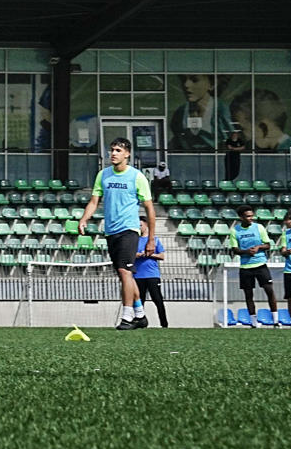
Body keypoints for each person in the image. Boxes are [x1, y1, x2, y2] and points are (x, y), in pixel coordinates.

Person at [76, 136, 157, 330]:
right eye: (112, 150)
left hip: (129, 230)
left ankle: (127, 317)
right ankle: (140, 315)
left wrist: (151, 238)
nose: (113, 153)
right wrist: (84, 218)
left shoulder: (137, 177)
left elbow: (149, 209)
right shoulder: (103, 175)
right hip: (111, 231)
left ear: (127, 154)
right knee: (124, 276)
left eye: (118, 150)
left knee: (124, 271)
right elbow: (94, 201)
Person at [230, 205, 277, 325]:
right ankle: (253, 321)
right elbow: (235, 249)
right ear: (241, 217)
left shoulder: (259, 227)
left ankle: (275, 320)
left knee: (269, 290)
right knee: (248, 294)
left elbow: (267, 245)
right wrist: (247, 252)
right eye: (248, 216)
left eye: (252, 216)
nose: (251, 218)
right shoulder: (235, 231)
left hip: (260, 264)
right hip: (246, 267)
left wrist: (258, 247)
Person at [167, 73, 219, 152]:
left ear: (211, 85)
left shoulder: (223, 112)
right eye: (183, 80)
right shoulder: (179, 113)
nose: (186, 85)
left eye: (195, 80)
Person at [132, 224, 166, 328]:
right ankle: (140, 322)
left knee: (157, 299)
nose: (139, 227)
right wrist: (137, 255)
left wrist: (150, 255)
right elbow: (128, 255)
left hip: (152, 275)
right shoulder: (134, 240)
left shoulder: (154, 240)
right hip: (138, 275)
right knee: (140, 301)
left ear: (146, 225)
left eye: (140, 225)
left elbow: (162, 256)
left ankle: (164, 324)